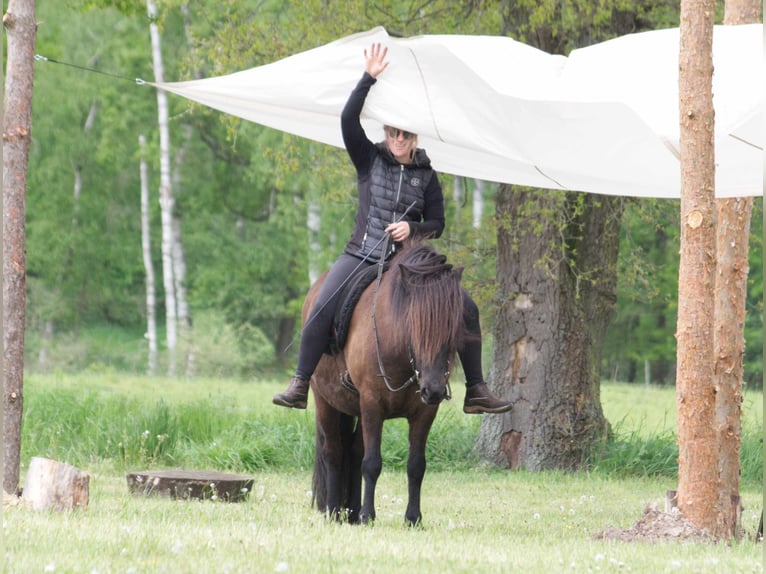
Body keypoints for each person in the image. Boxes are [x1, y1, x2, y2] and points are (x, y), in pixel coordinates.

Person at [273, 43, 511, 415]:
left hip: (411, 265)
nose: (399, 140)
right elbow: (347, 120)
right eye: (394, 133)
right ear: (386, 132)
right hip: (361, 253)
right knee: (321, 305)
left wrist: (412, 229)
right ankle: (301, 382)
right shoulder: (368, 159)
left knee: (466, 307)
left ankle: (477, 388)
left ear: (415, 138)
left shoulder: (428, 176)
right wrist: (368, 78)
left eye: (406, 135)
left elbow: (438, 223)